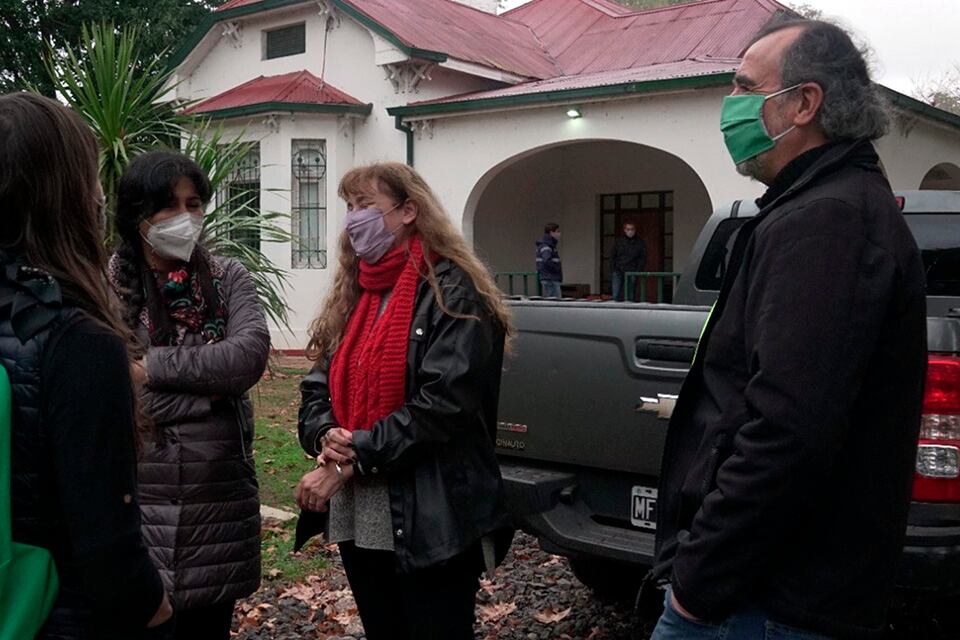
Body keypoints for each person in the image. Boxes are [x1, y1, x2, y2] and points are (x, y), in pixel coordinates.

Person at [650, 19, 927, 640]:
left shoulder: (826, 222)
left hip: (766, 604)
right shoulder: (817, 207)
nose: (729, 107)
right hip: (767, 594)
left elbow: (786, 430)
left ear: (805, 103)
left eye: (744, 87)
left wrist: (697, 586)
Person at [294, 162, 515, 640]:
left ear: (409, 210)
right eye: (349, 207)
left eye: (366, 206)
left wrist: (348, 462)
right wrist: (323, 433)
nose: (353, 219)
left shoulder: (454, 290)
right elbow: (318, 382)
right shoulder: (356, 292)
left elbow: (444, 404)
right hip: (361, 511)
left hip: (432, 511)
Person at [0, 92, 172, 638]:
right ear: (64, 195)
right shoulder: (74, 338)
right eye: (91, 175)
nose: (101, 193)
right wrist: (156, 608)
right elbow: (106, 545)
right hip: (57, 614)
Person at [109, 150, 270, 639]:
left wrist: (152, 367)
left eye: (194, 203)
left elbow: (246, 358)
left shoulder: (226, 278)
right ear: (138, 216)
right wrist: (211, 396)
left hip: (216, 513)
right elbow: (111, 391)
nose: (186, 218)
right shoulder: (104, 287)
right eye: (170, 206)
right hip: (138, 508)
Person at [611, 221, 646, 301]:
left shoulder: (639, 243)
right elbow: (613, 255)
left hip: (632, 271)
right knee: (616, 295)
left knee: (630, 296)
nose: (630, 231)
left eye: (632, 229)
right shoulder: (618, 241)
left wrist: (637, 270)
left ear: (635, 230)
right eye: (628, 229)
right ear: (624, 230)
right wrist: (614, 269)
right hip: (618, 271)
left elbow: (642, 258)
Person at [535, 222, 562, 297]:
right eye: (557, 231)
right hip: (551, 278)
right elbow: (546, 260)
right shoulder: (547, 246)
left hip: (548, 277)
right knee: (555, 302)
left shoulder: (546, 245)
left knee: (552, 299)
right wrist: (556, 268)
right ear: (551, 232)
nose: (559, 233)